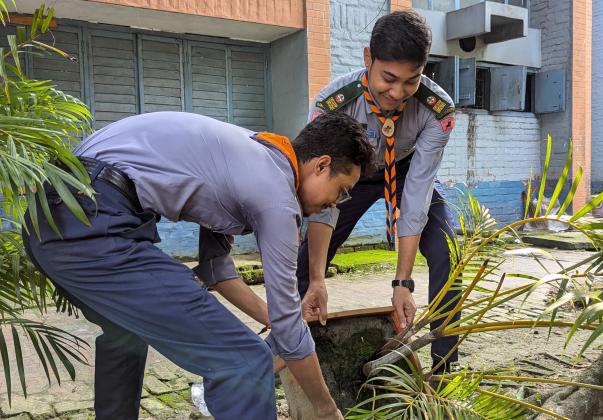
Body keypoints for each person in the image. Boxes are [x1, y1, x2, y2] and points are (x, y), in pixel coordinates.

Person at [22, 111, 373, 420]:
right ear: (321, 165)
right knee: (245, 361)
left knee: (125, 333)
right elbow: (289, 329)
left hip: (53, 215)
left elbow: (216, 270)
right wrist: (326, 410)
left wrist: (278, 320)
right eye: (342, 191)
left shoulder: (250, 158)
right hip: (90, 219)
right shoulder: (276, 195)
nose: (335, 204)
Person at [297, 9, 460, 374]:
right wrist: (319, 277)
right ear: (368, 58)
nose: (397, 93)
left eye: (411, 81)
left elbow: (417, 194)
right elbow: (324, 202)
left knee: (447, 250)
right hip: (351, 174)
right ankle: (294, 353)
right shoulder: (333, 105)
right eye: (388, 78)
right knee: (306, 264)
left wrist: (402, 283)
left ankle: (445, 367)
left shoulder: (438, 112)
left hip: (405, 171)